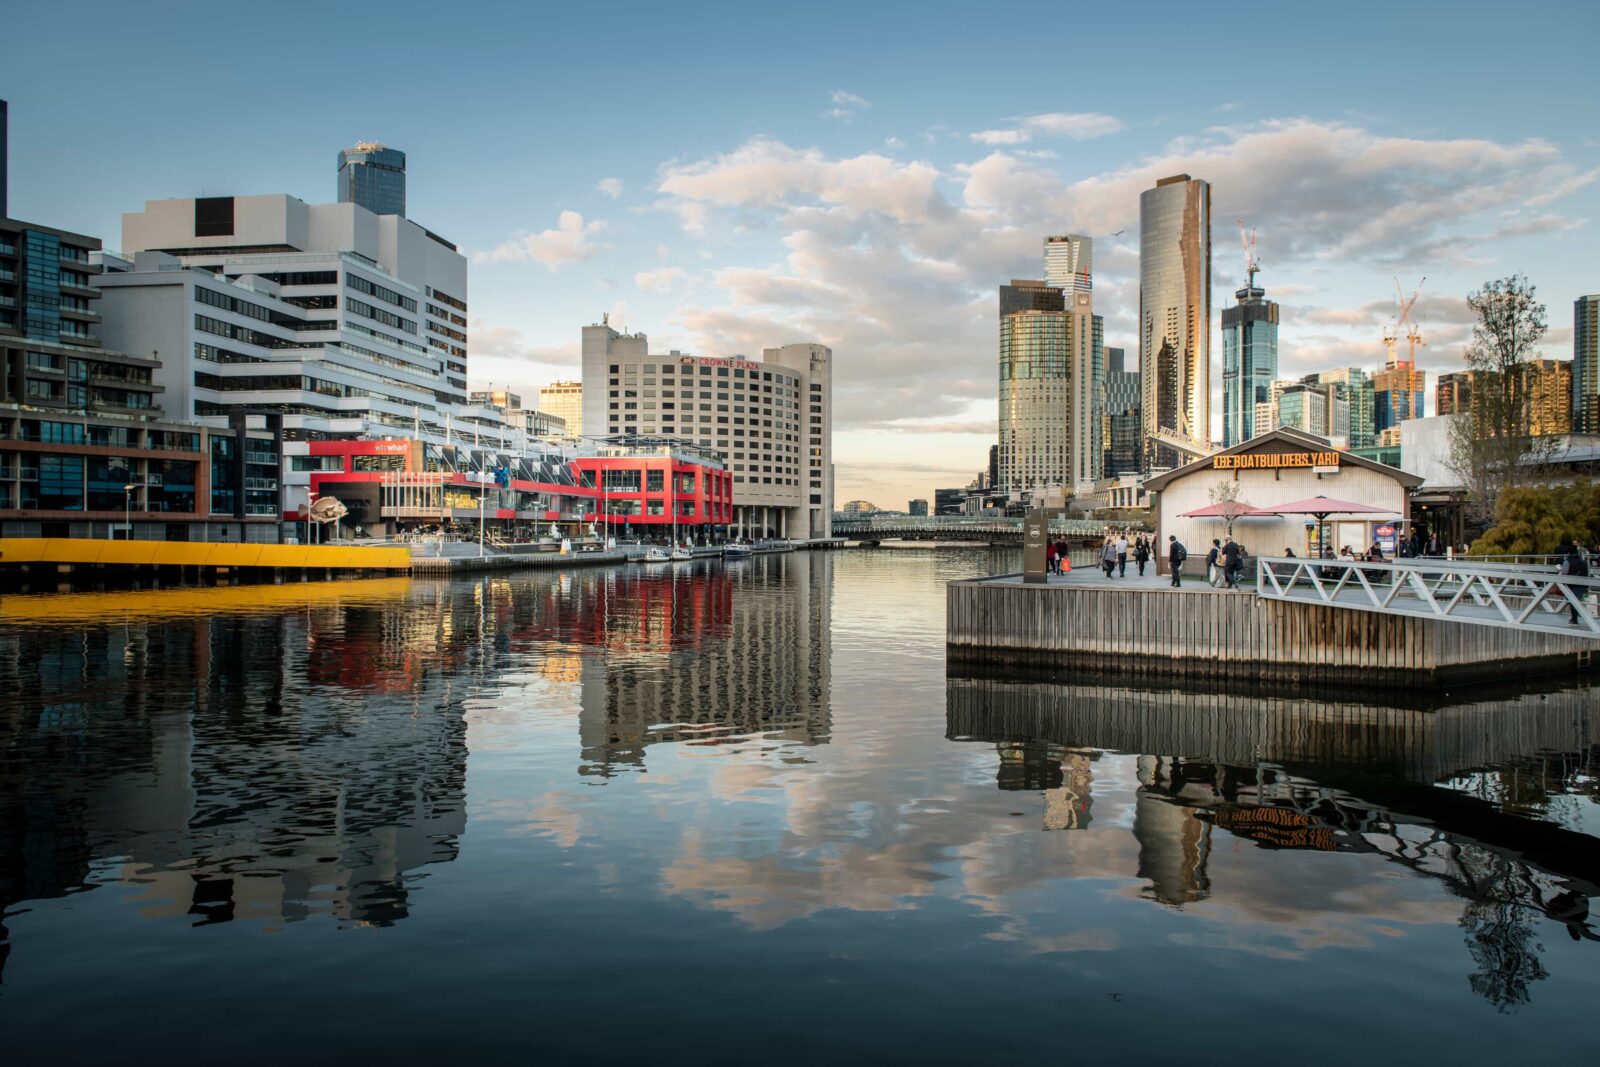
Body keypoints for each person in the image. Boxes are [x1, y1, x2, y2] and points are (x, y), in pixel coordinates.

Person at [1560, 537, 1590, 625]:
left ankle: (1574, 619)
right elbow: (1586, 573)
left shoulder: (1567, 561)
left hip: (1571, 584)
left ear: (1568, 553)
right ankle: (1575, 618)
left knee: (1572, 601)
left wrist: (1560, 570)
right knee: (1576, 601)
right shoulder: (1583, 562)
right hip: (1582, 584)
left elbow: (1564, 572)